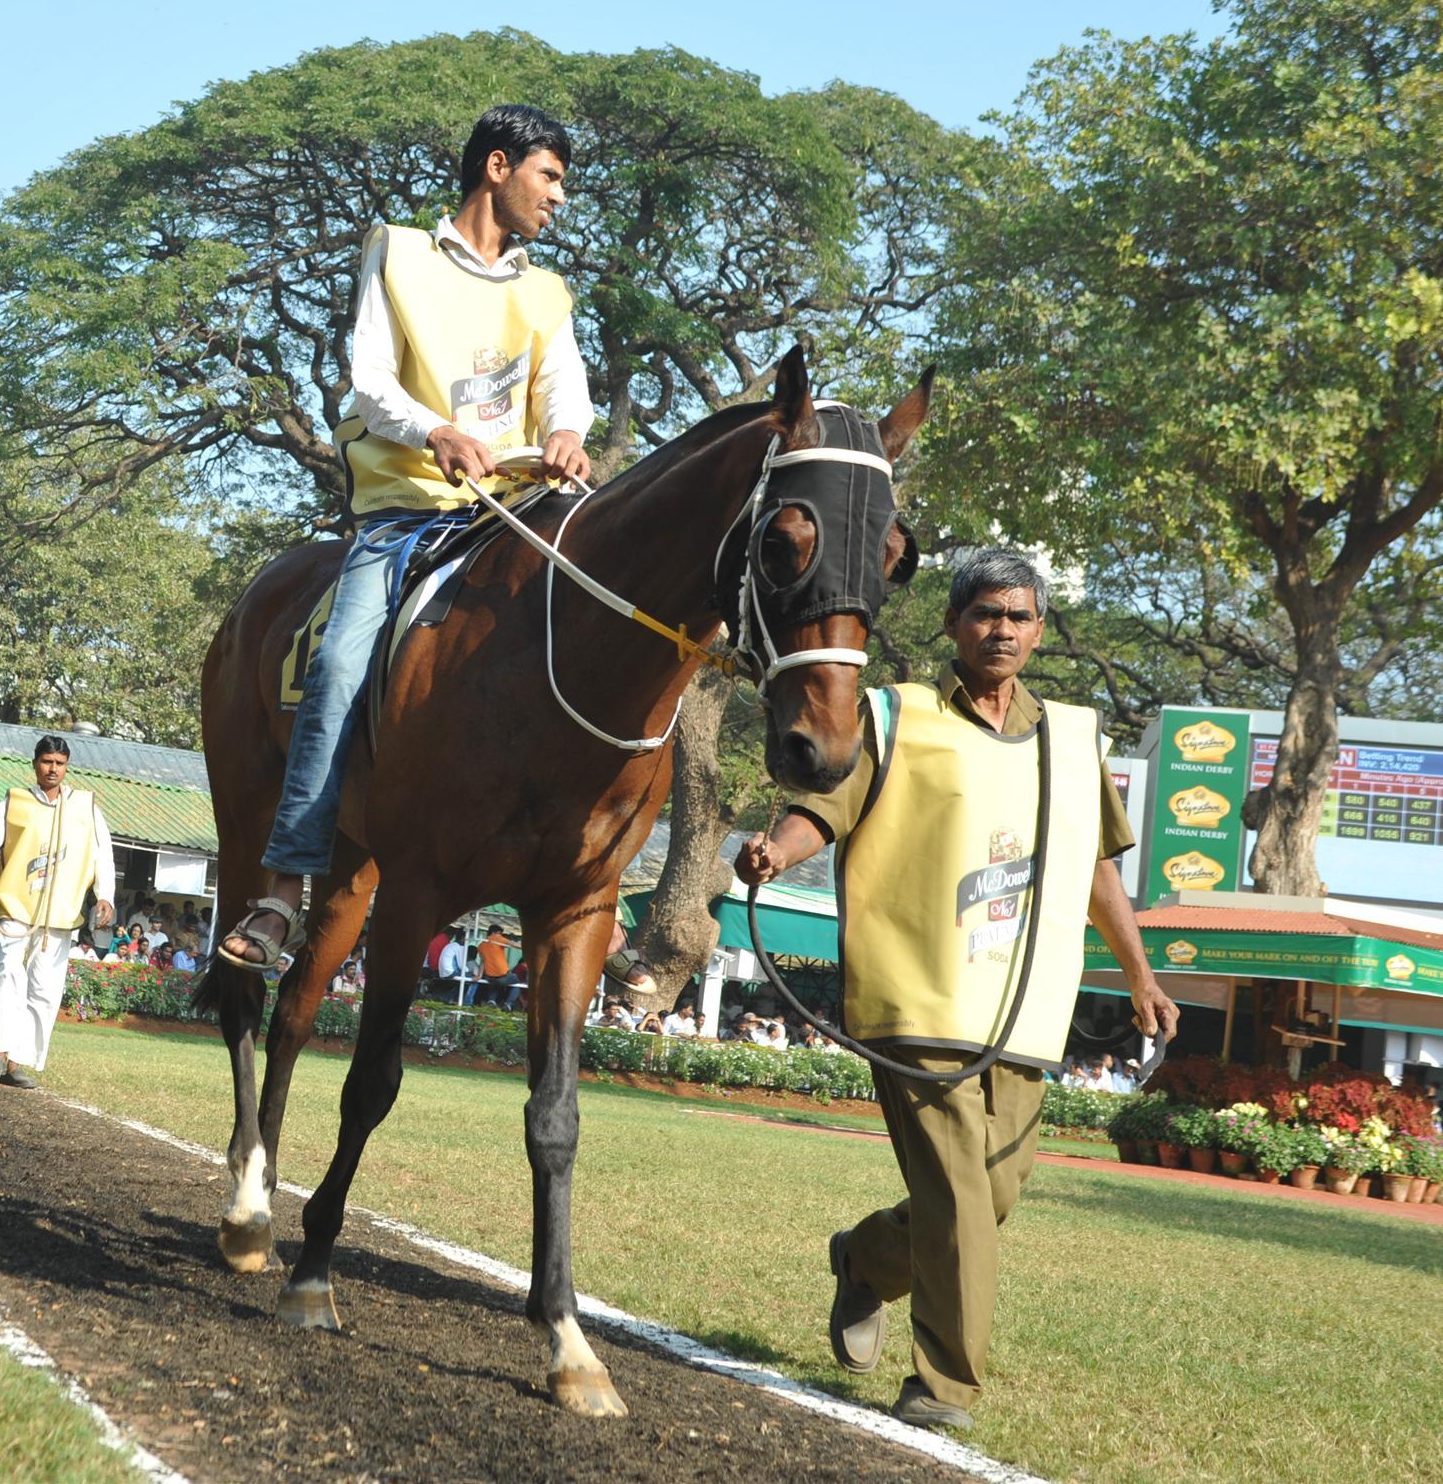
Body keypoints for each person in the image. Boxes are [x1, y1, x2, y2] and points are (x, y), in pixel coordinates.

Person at [209, 105, 651, 996]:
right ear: (498, 167)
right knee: (340, 664)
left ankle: (587, 876)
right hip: (408, 511)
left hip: (518, 509)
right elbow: (369, 381)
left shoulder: (546, 292)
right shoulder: (399, 253)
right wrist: (435, 431)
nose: (559, 197)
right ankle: (285, 888)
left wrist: (568, 434)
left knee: (621, 630)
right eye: (550, 177)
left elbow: (565, 388)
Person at [735, 548, 1179, 1431]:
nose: (1002, 630)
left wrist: (1140, 973)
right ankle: (944, 1388)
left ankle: (866, 1261)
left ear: (1039, 632)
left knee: (993, 1194)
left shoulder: (1073, 737)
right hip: (920, 994)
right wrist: (776, 850)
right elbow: (827, 807)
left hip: (1025, 1005)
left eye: (1019, 617)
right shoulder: (897, 715)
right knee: (959, 1198)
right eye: (985, 613)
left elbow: (1096, 865)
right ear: (953, 624)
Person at [0, 736, 116, 1089]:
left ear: (67, 766)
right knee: (7, 972)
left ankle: (17, 1062)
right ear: (35, 763)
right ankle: (0, 1052)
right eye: (47, 762)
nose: (53, 769)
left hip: (61, 912)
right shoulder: (14, 802)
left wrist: (105, 896)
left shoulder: (86, 807)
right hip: (15, 905)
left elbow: (103, 856)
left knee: (44, 988)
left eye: (59, 763)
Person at [475, 927, 515, 1008]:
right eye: (499, 933)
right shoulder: (497, 939)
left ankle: (491, 1000)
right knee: (517, 981)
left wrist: (479, 976)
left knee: (496, 982)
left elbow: (482, 962)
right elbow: (514, 945)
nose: (500, 935)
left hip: (489, 976)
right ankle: (509, 1003)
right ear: (493, 933)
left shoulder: (481, 945)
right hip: (502, 975)